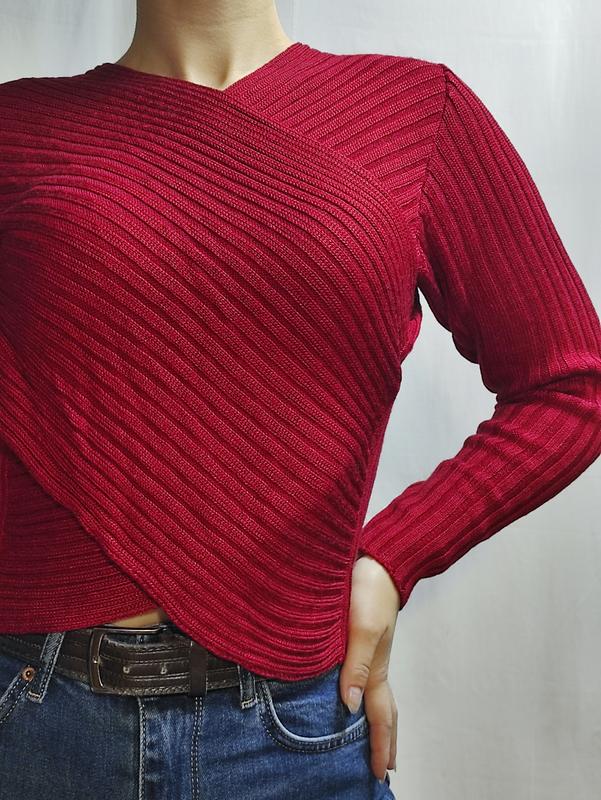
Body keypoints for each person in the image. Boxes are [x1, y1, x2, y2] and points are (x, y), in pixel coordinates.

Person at [0, 1, 599, 798]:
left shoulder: (415, 116)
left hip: (294, 728)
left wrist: (393, 559)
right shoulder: (17, 129)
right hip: (35, 719)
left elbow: (570, 383)